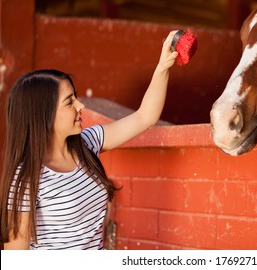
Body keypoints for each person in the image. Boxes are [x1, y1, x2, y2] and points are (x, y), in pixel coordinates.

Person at [0, 30, 179, 250]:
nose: (80, 106)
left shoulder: (88, 143)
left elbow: (145, 116)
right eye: (69, 102)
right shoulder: (26, 177)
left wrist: (163, 66)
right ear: (43, 115)